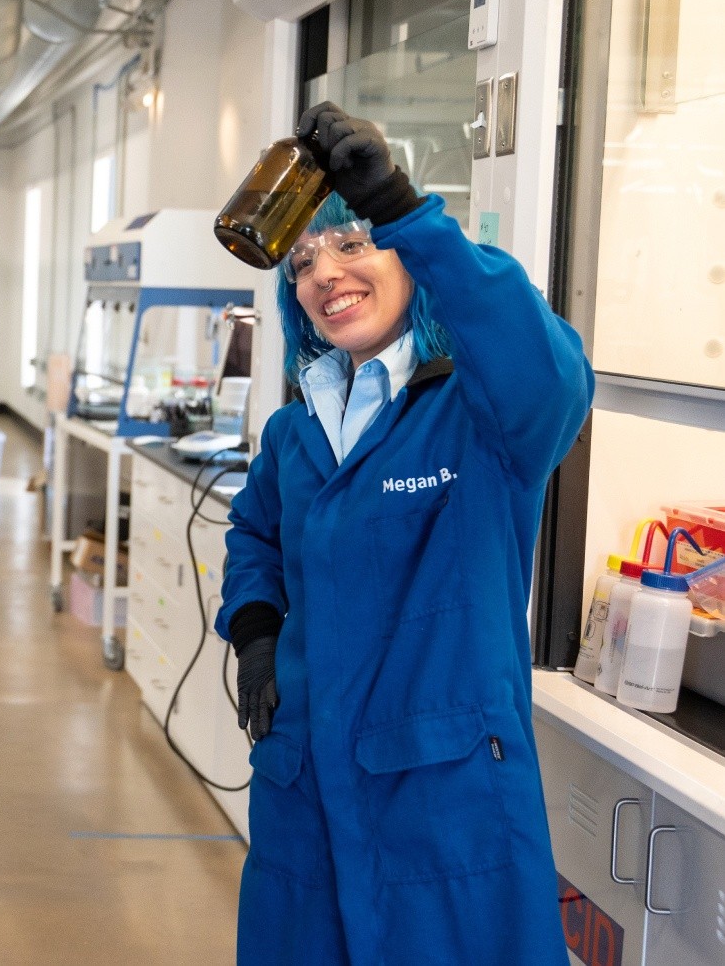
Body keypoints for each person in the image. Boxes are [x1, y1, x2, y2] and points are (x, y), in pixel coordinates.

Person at [216, 102, 591, 964]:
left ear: (407, 259)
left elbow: (550, 368)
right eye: (303, 260)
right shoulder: (296, 430)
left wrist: (403, 207)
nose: (324, 274)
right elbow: (256, 535)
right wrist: (257, 627)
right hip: (304, 796)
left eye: (352, 243)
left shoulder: (482, 416)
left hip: (443, 810)